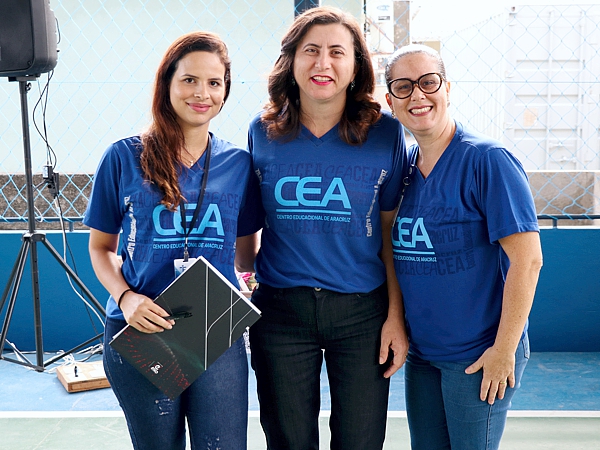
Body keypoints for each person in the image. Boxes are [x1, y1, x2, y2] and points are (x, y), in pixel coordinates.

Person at [84, 31, 260, 450]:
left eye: (214, 83)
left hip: (214, 329)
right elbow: (100, 248)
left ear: (225, 91)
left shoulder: (239, 164)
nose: (202, 93)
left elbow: (246, 255)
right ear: (167, 83)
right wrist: (126, 298)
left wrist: (248, 284)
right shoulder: (123, 156)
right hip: (141, 327)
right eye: (189, 80)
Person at [244, 6, 408, 450]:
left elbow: (390, 235)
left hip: (362, 314)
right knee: (288, 441)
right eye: (311, 50)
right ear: (291, 61)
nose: (323, 63)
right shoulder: (262, 131)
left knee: (361, 440)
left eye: (337, 52)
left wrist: (395, 317)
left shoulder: (387, 134)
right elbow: (249, 221)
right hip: (281, 312)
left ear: (355, 66)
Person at [385, 43, 543, 449]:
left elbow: (527, 261)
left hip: (477, 354)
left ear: (448, 88)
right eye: (403, 86)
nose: (417, 95)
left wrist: (504, 349)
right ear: (390, 101)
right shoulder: (403, 170)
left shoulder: (487, 160)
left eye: (428, 82)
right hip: (424, 355)